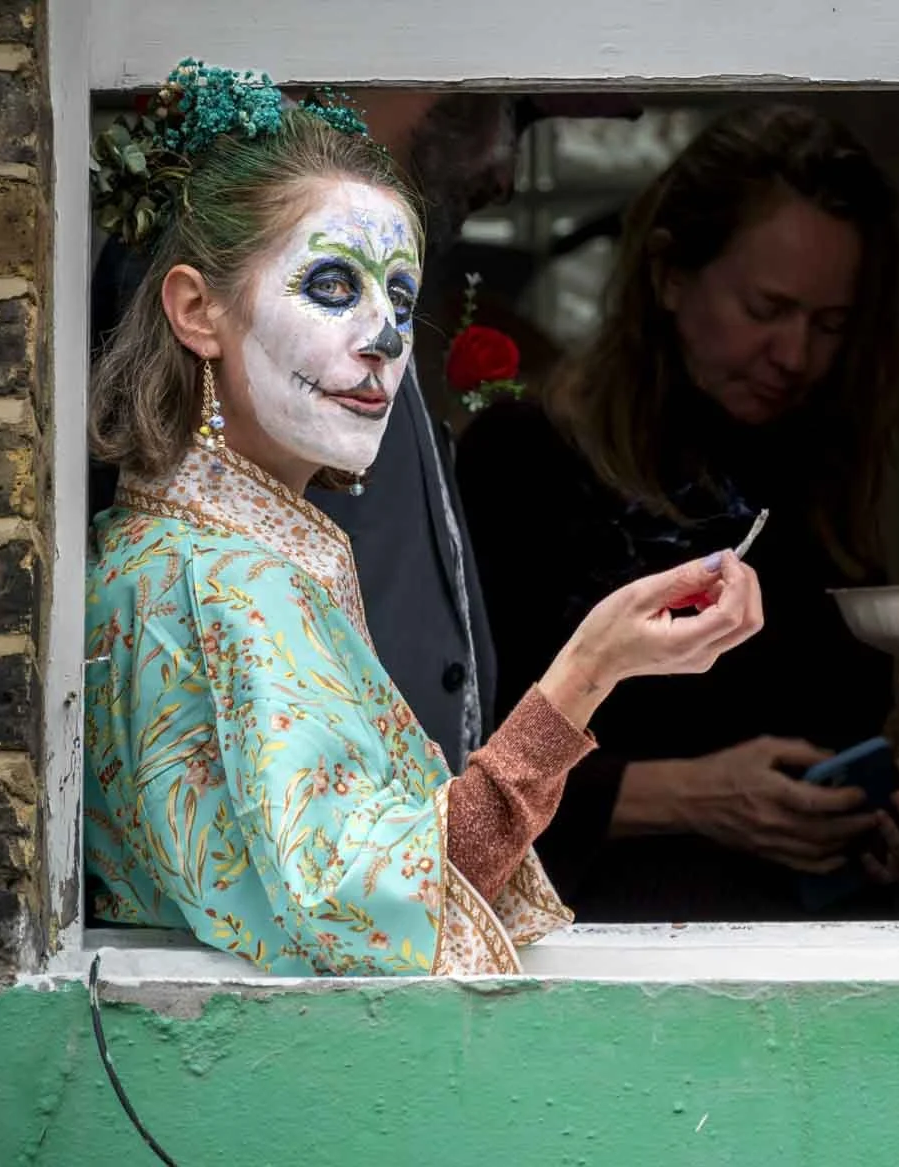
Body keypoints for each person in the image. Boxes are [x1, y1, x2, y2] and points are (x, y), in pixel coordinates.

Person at [82, 63, 762, 976]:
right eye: (331, 286)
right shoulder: (226, 581)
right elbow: (383, 905)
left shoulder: (173, 545)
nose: (385, 338)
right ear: (197, 309)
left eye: (399, 299)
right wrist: (591, 670)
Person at [457, 104, 899, 922]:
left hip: (819, 983)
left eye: (830, 325)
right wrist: (685, 796)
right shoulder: (525, 462)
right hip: (609, 975)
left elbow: (840, 742)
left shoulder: (817, 480)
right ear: (668, 275)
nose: (796, 356)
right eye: (765, 310)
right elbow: (458, 780)